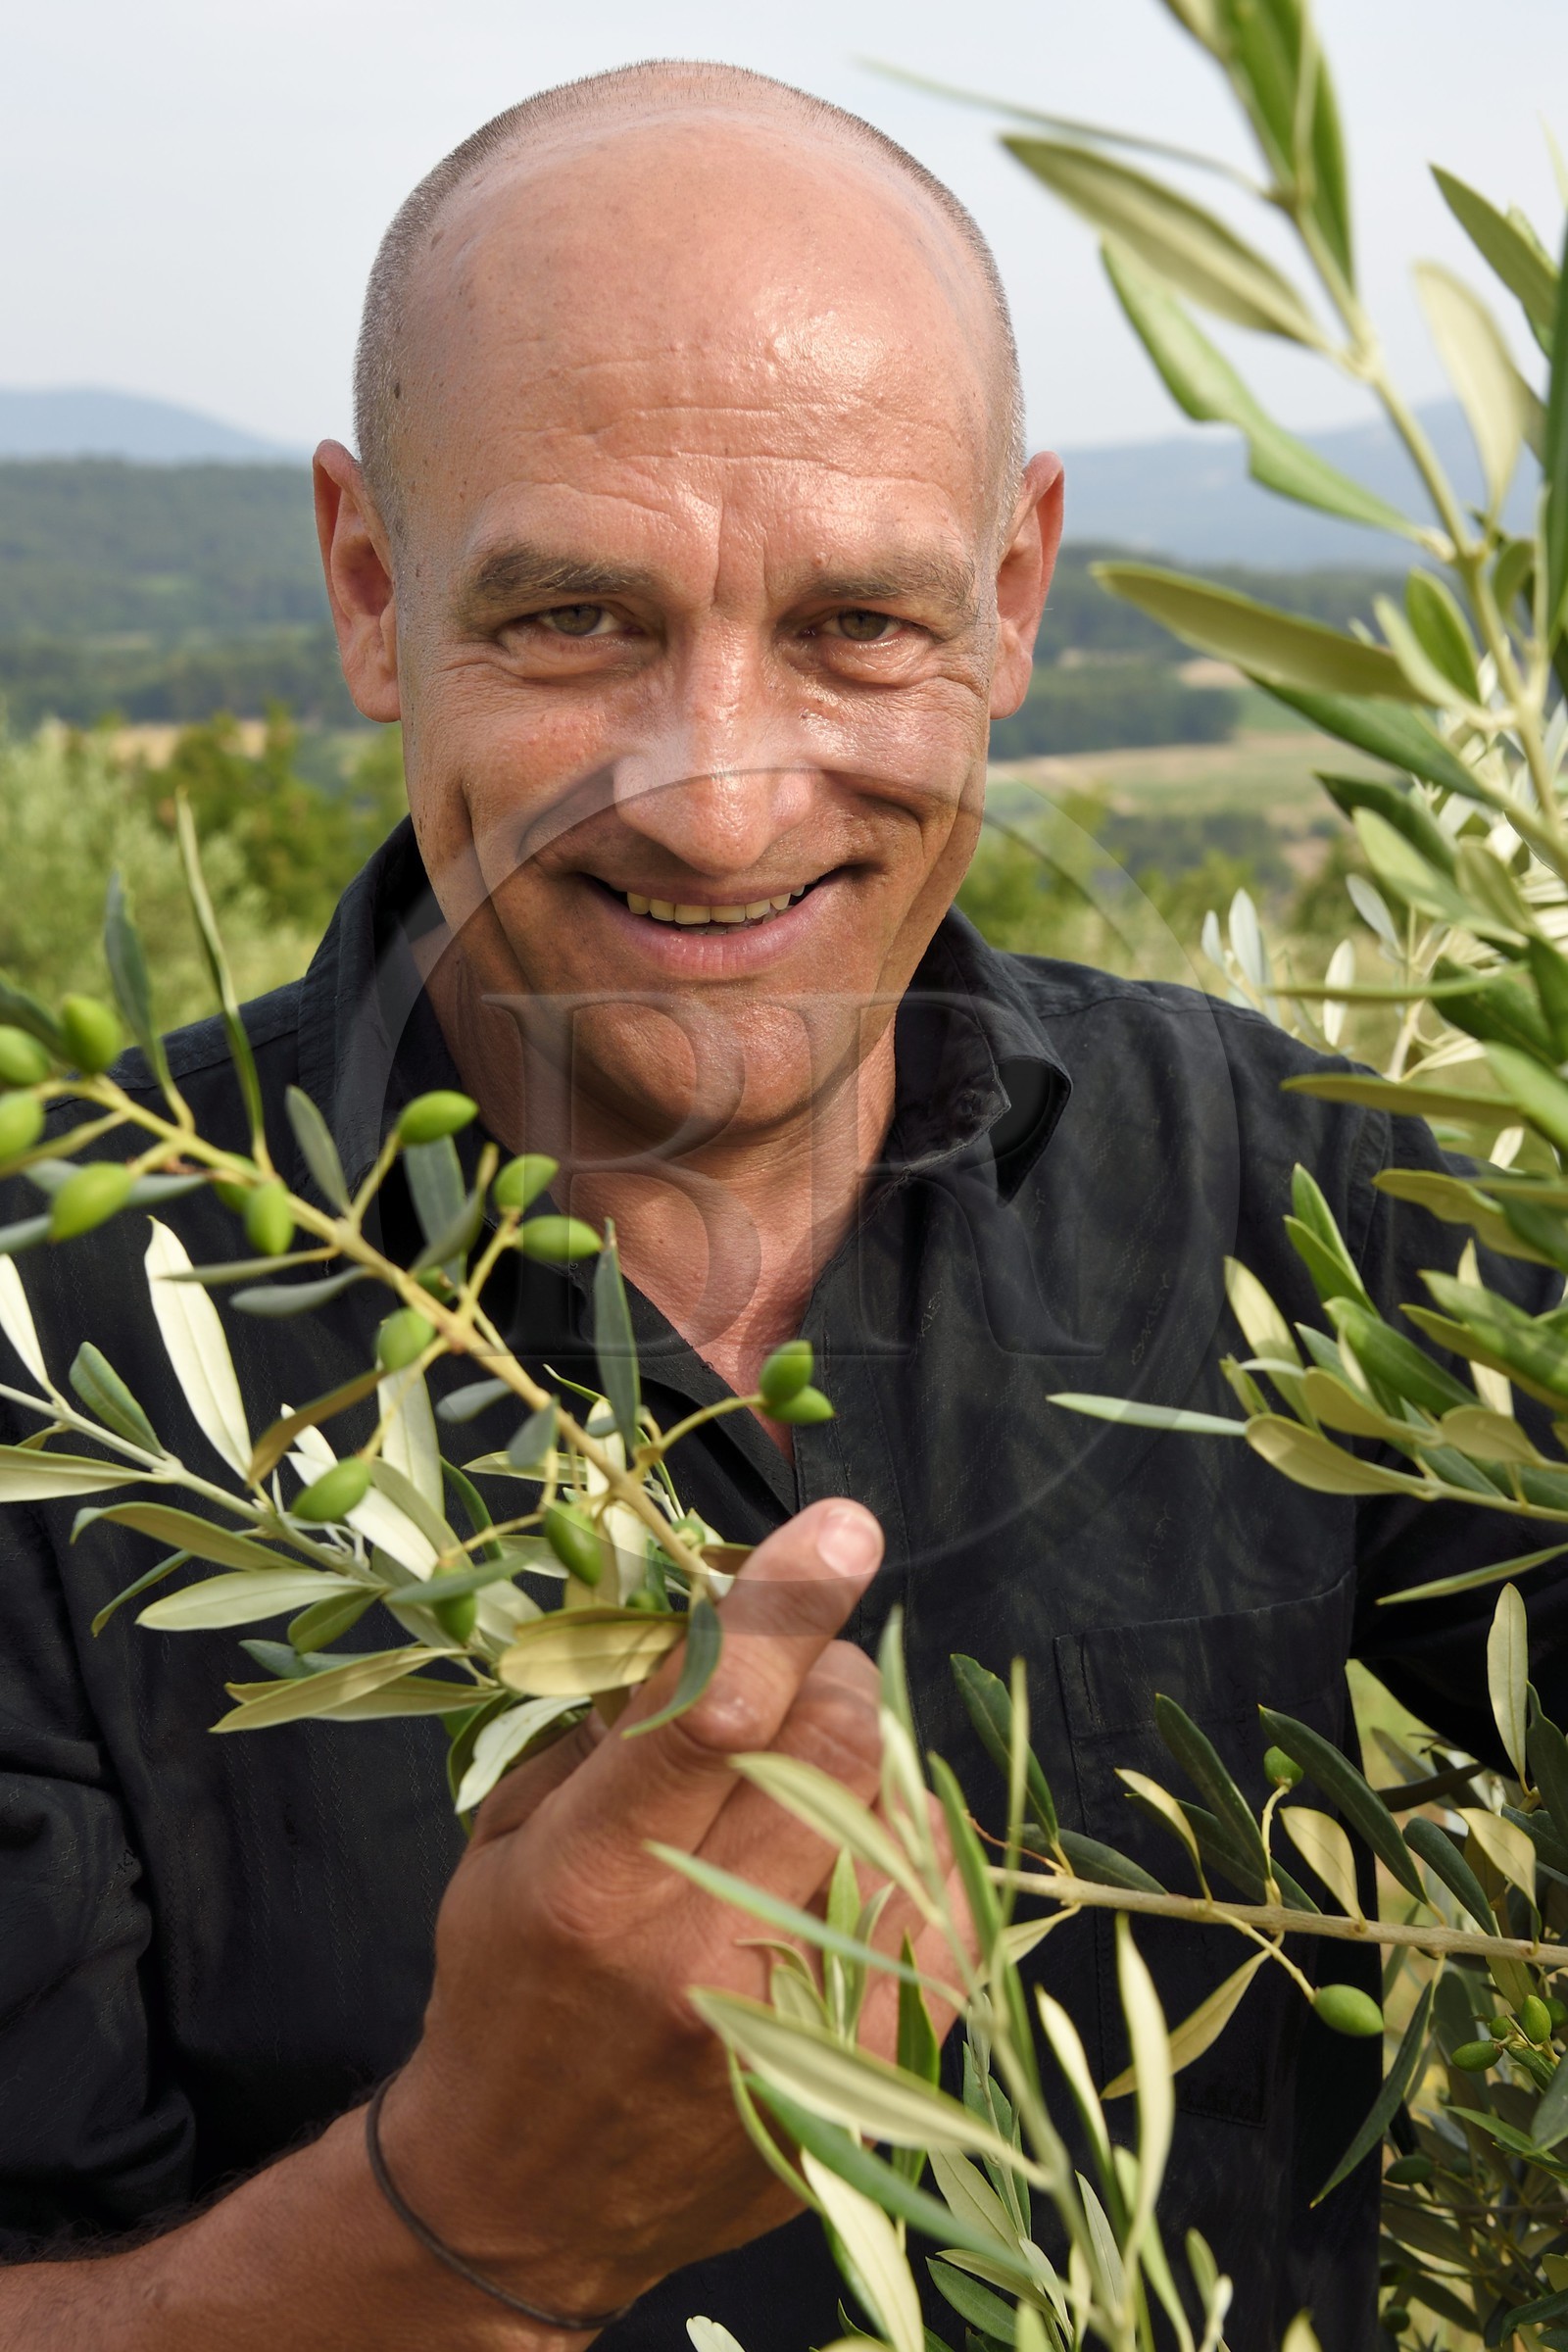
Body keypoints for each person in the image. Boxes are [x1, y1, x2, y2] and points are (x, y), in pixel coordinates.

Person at [0, 60, 1558, 2352]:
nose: (721, 810)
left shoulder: (1313, 1206)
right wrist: (465, 2224)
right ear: (365, 585)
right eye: (573, 625)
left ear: (1011, 594)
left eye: (854, 624)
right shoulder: (44, 1356)